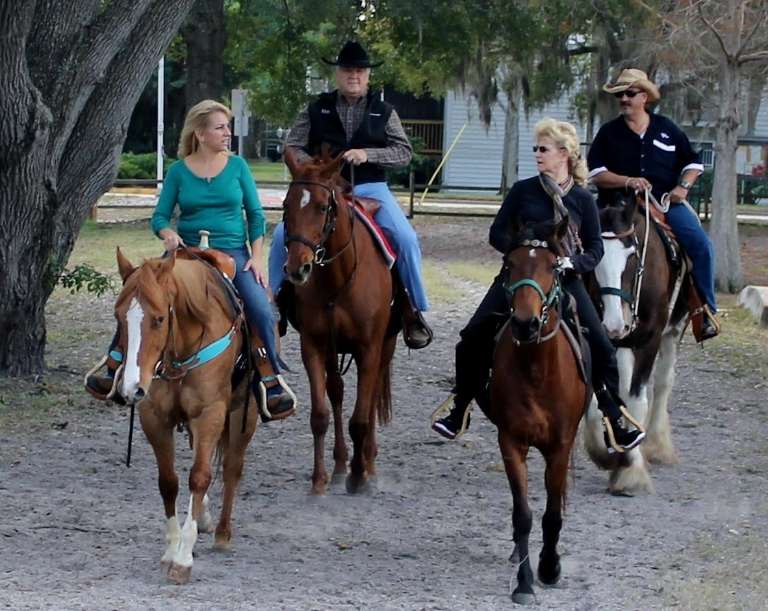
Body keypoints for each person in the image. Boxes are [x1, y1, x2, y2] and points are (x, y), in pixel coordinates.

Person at [432, 118, 645, 453]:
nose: (537, 154)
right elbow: (497, 233)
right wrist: (524, 249)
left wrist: (570, 262)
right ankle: (460, 405)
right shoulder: (523, 191)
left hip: (565, 280)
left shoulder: (582, 200)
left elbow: (595, 249)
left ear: (564, 154)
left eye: (543, 149)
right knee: (473, 335)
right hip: (519, 279)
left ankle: (613, 416)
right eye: (536, 148)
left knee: (602, 346)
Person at [86, 100, 294, 419]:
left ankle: (270, 379)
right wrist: (167, 233)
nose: (227, 133)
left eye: (228, 126)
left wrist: (256, 255)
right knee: (139, 298)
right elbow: (160, 217)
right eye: (220, 127)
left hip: (234, 255)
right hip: (185, 253)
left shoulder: (238, 167)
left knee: (262, 309)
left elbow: (254, 215)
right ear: (200, 133)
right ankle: (114, 362)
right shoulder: (179, 172)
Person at [269, 40, 433, 349]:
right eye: (347, 70)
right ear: (337, 74)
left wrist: (368, 154)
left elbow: (403, 152)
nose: (353, 76)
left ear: (368, 75)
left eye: (359, 71)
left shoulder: (384, 111)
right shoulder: (316, 108)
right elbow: (292, 146)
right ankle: (276, 302)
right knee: (281, 236)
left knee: (406, 238)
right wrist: (316, 168)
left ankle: (415, 310)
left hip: (371, 188)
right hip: (322, 189)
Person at [588, 68, 719, 340]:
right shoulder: (608, 133)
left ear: (644, 97)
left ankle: (703, 311)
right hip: (615, 206)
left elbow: (693, 163)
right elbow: (595, 172)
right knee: (580, 241)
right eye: (620, 94)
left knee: (701, 246)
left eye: (629, 93)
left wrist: (683, 187)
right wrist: (627, 181)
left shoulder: (667, 129)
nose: (624, 98)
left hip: (663, 203)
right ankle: (573, 305)